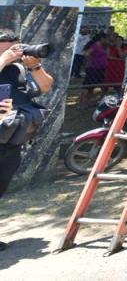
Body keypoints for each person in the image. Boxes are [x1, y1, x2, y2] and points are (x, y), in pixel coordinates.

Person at [0, 26, 54, 250]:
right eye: (7, 47)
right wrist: (2, 60)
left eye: (16, 47)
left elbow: (45, 86)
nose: (14, 52)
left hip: (10, 141)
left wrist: (35, 66)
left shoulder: (19, 70)